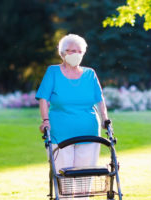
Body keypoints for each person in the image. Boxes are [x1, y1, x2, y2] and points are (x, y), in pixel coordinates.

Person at [35, 34, 109, 178]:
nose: (74, 53)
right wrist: (45, 121)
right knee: (63, 176)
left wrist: (105, 119)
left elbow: (100, 99)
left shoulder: (90, 74)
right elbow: (43, 98)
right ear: (62, 53)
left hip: (89, 131)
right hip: (59, 131)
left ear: (83, 53)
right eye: (70, 50)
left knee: (85, 175)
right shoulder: (53, 72)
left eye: (78, 51)